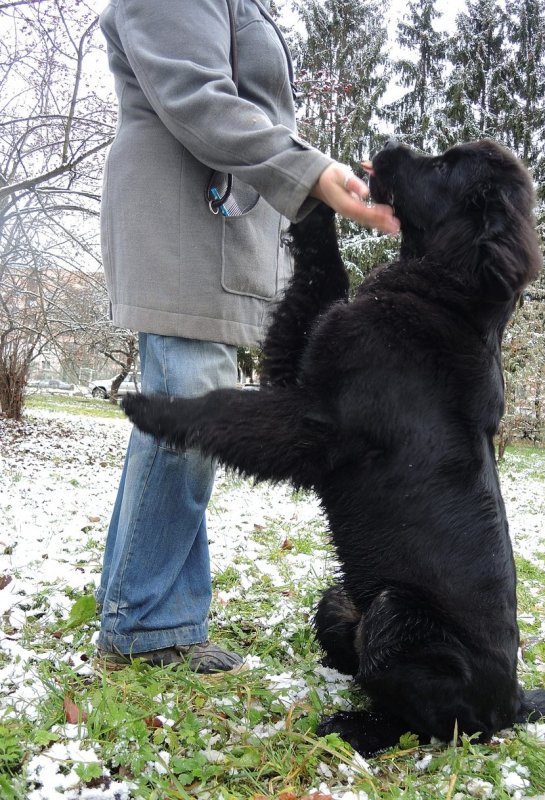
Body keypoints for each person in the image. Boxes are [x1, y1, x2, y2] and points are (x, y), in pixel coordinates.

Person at [95, 0, 399, 672]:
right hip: (180, 226)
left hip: (215, 229)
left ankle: (144, 612)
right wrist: (310, 172)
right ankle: (144, 627)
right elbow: (195, 97)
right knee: (187, 415)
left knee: (181, 421)